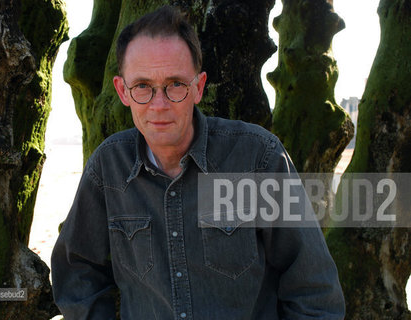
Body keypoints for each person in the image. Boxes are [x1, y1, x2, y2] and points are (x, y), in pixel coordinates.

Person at [51, 6, 345, 319]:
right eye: (143, 87)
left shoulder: (259, 159)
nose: (159, 104)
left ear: (198, 87)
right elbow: (76, 271)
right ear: (123, 91)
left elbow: (315, 293)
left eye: (175, 84)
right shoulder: (108, 168)